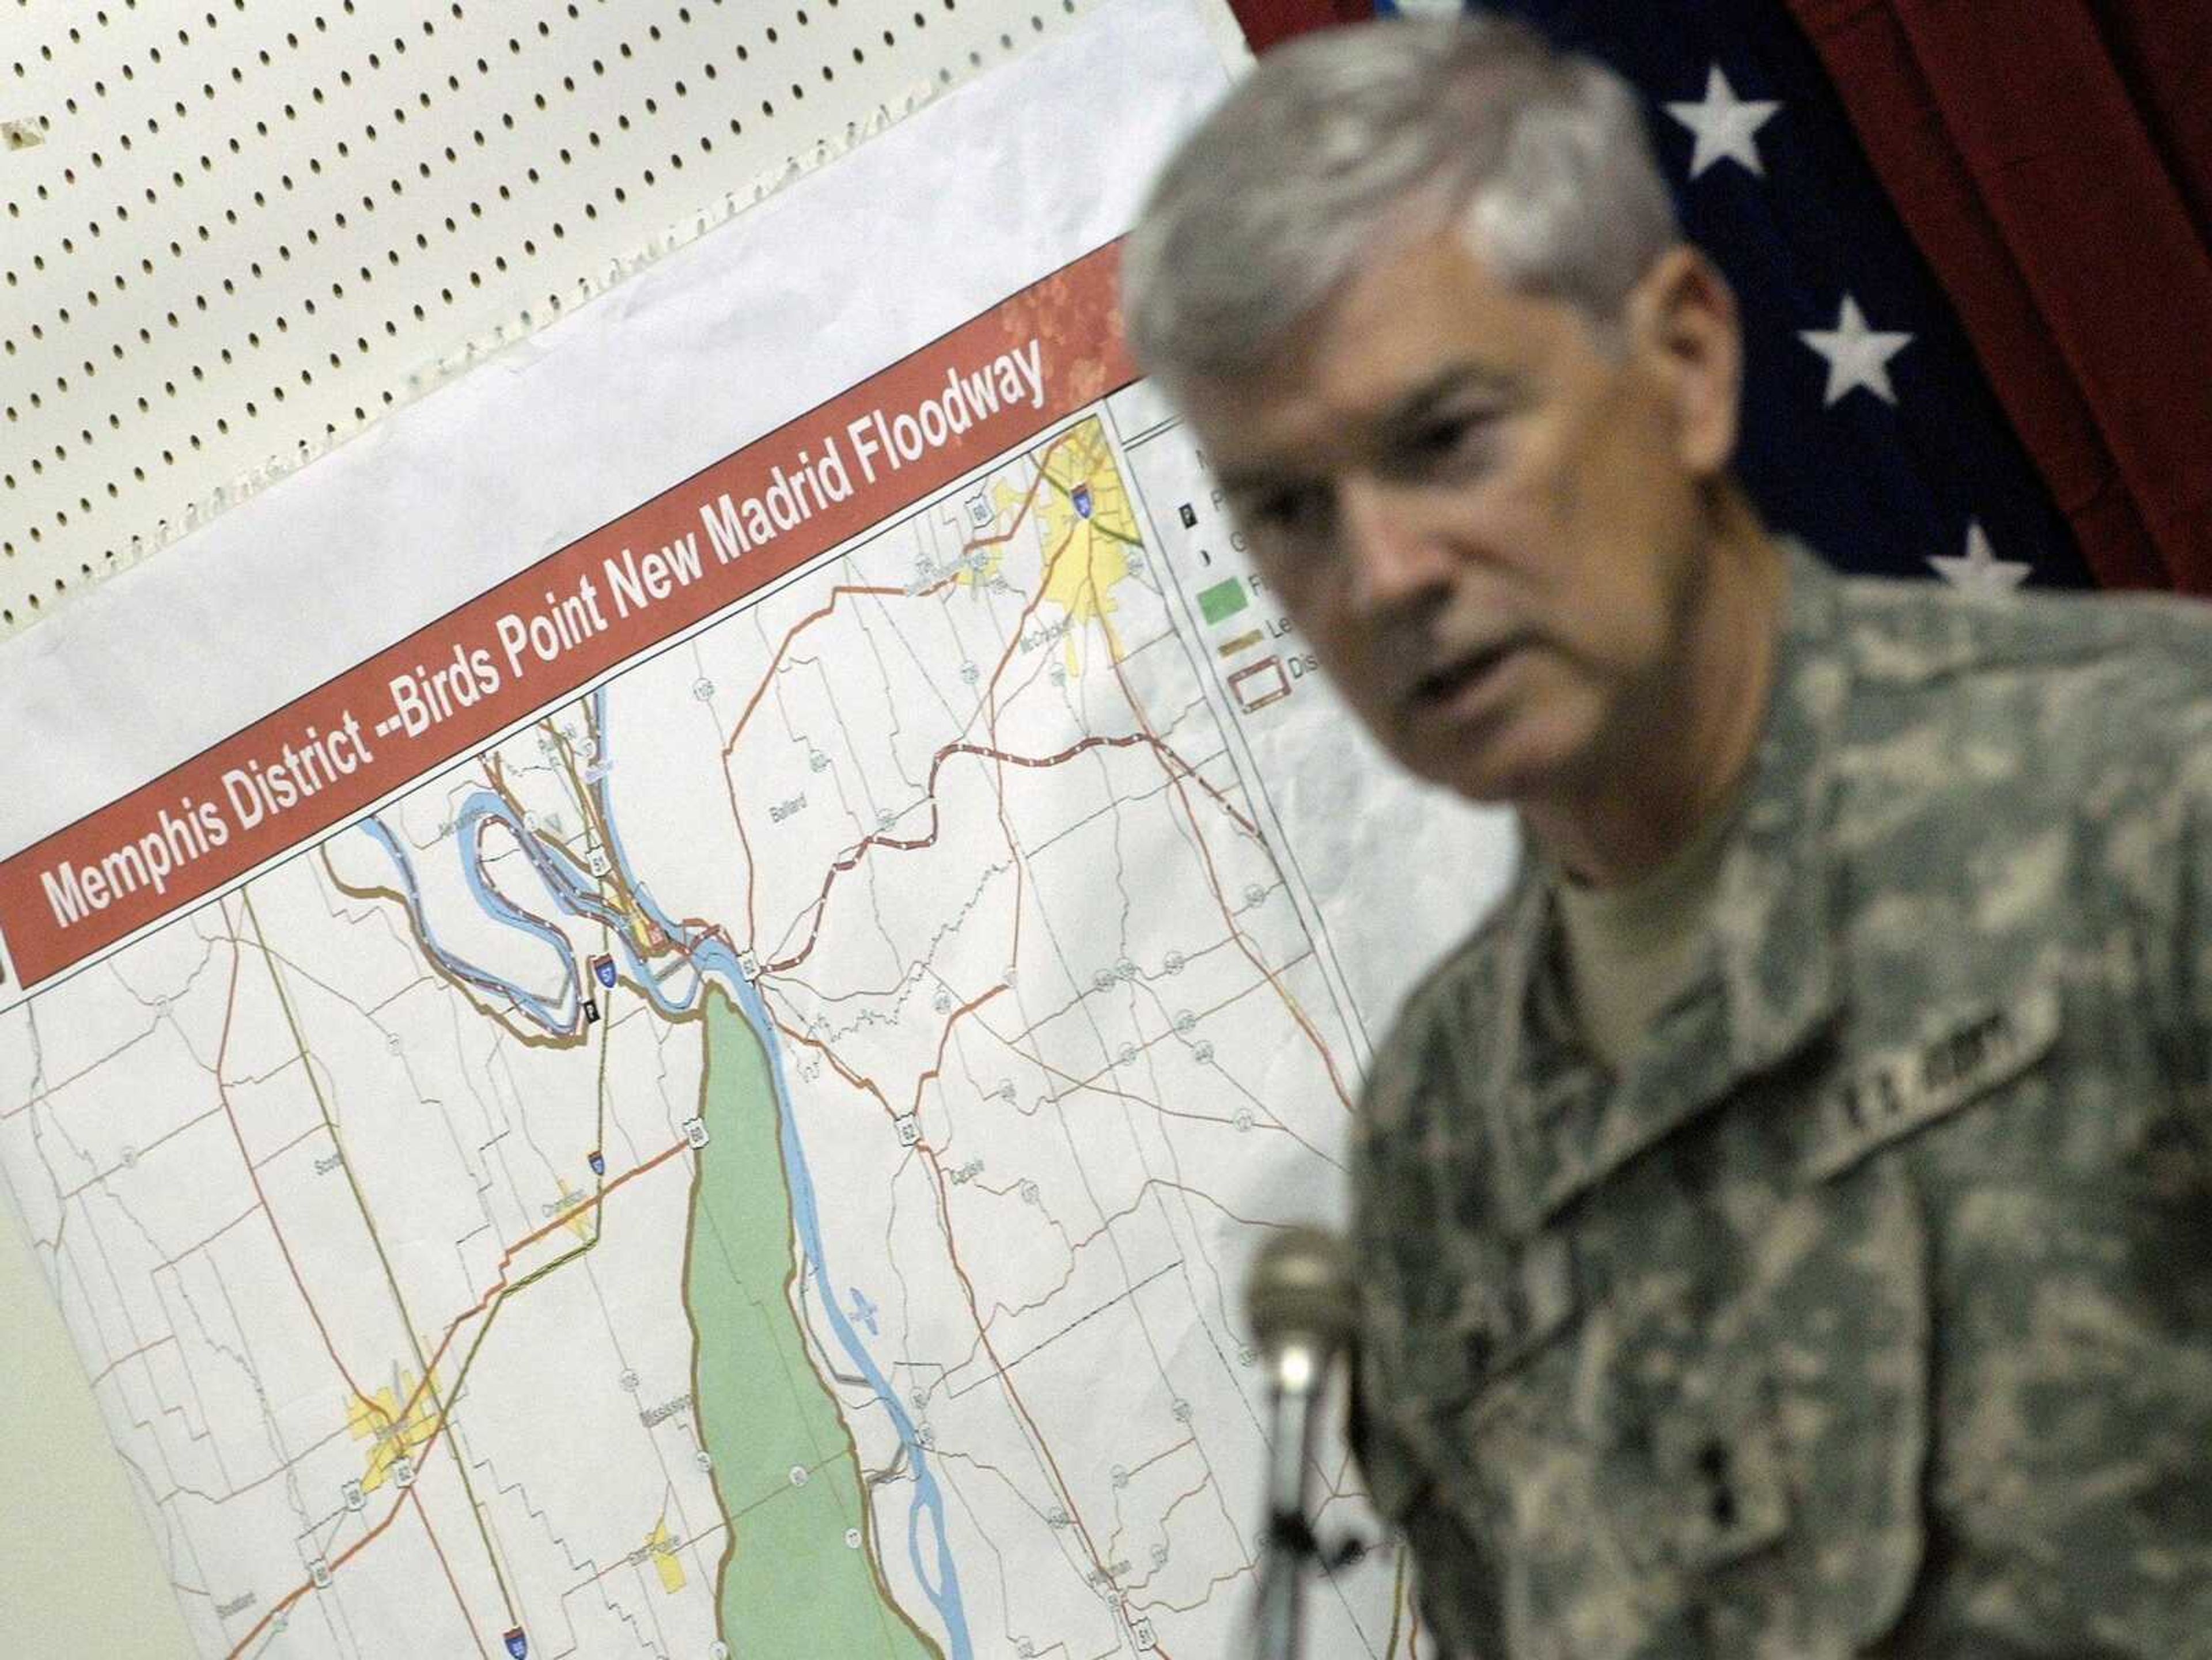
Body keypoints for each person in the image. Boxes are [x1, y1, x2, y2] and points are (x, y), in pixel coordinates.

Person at [1122, 14, 2212, 1659]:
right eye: (1292, 510)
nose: (1386, 570)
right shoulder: (1437, 1149)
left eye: (1446, 439)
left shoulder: (2152, 790)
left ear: (1689, 362)